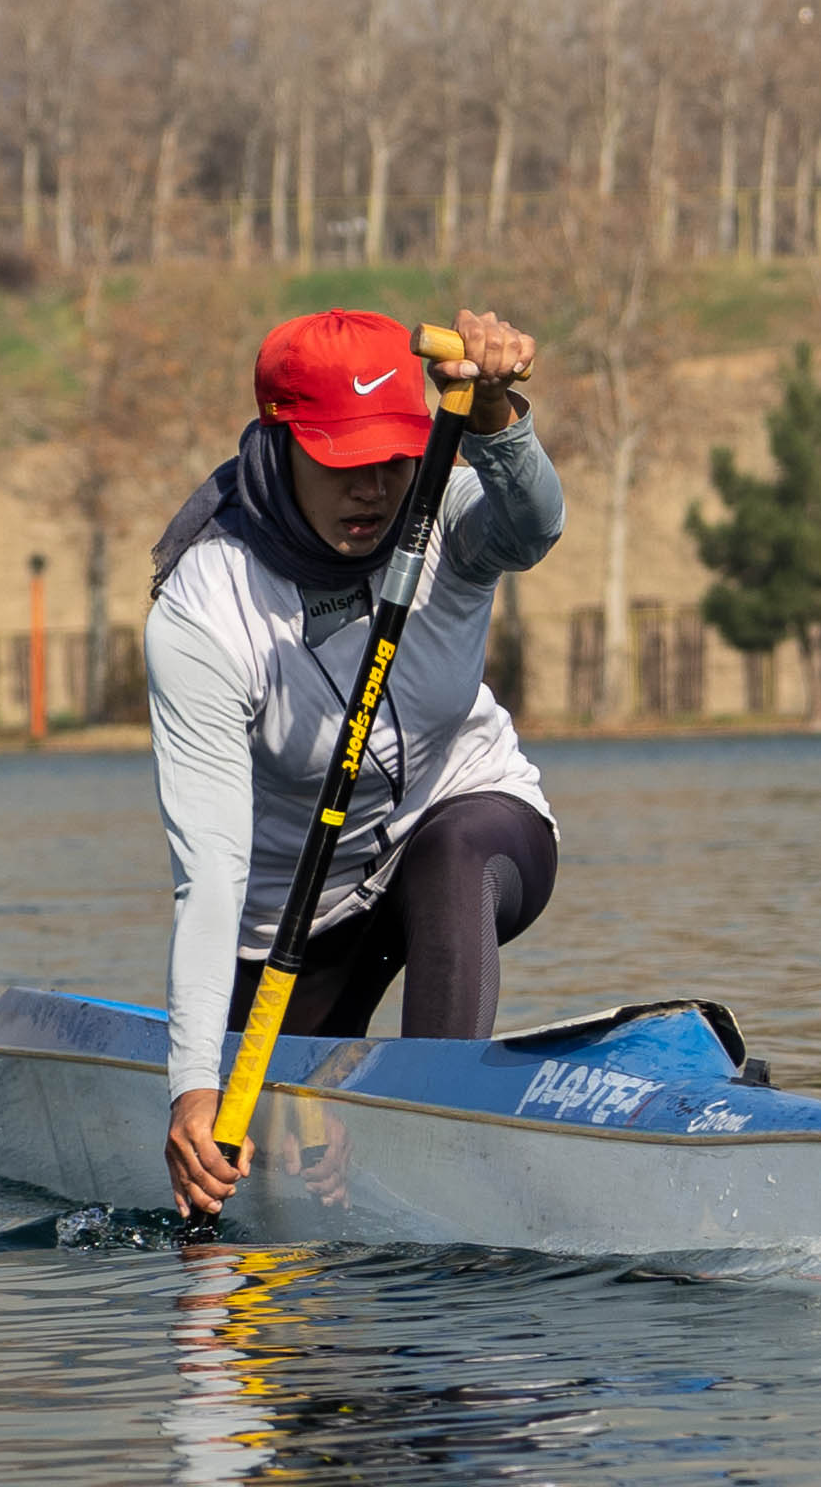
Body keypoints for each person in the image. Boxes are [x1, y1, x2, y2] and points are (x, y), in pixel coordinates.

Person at [150, 305, 559, 1219]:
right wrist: (191, 1087)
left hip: (468, 820)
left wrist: (498, 420)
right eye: (343, 459)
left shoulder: (444, 510)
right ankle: (350, 1111)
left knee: (451, 856)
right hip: (295, 911)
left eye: (391, 453)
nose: (375, 487)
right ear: (278, 442)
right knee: (277, 1157)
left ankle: (436, 1138)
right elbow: (210, 871)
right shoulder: (205, 609)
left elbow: (534, 527)